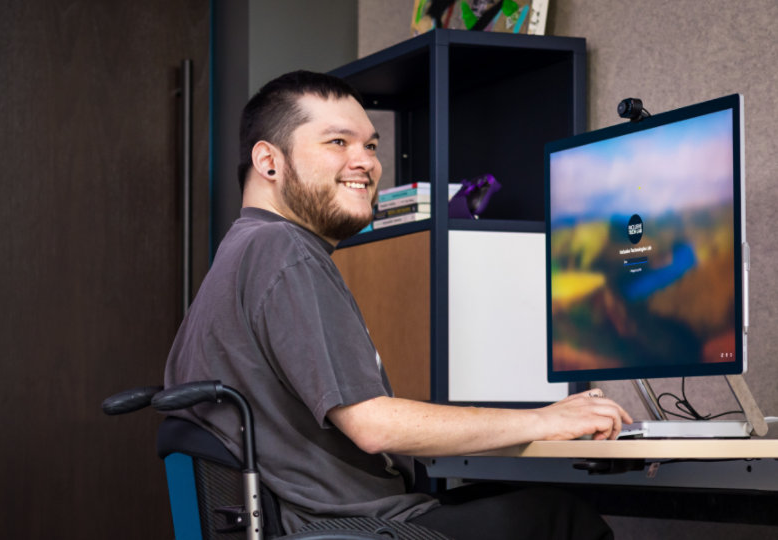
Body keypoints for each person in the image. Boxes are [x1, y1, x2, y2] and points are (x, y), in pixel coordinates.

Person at [164, 70, 632, 539]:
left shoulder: (240, 254)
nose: (365, 162)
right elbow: (373, 424)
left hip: (332, 522)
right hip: (351, 528)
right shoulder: (283, 250)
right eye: (338, 142)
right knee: (565, 518)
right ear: (269, 161)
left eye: (370, 145)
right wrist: (546, 419)